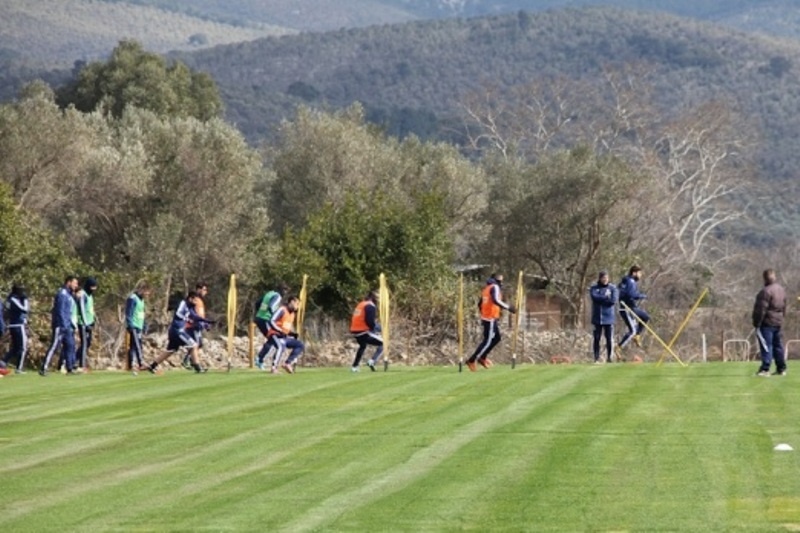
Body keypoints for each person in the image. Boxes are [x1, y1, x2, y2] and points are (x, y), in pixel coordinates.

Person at [146, 291, 211, 374]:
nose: (196, 302)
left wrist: (205, 322)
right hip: (177, 330)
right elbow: (179, 313)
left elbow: (195, 316)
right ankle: (198, 367)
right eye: (194, 300)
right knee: (194, 345)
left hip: (176, 331)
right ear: (190, 298)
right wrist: (188, 319)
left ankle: (152, 366)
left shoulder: (190, 307)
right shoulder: (183, 303)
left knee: (170, 351)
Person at [466, 273, 516, 372]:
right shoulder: (495, 287)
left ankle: (482, 357)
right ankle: (472, 360)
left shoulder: (487, 288)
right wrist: (509, 307)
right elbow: (496, 300)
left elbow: (480, 304)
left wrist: (483, 313)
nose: (501, 281)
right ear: (495, 279)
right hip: (490, 318)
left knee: (497, 338)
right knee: (488, 341)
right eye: (500, 279)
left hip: (488, 317)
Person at [40, 275, 80, 376]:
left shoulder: (69, 294)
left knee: (70, 345)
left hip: (67, 325)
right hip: (60, 325)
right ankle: (44, 367)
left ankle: (70, 368)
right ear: (68, 282)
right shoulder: (62, 294)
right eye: (74, 283)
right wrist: (62, 324)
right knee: (54, 346)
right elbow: (60, 311)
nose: (76, 285)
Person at [753, 268, 787, 376]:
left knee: (766, 345)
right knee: (778, 345)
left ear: (765, 278)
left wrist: (757, 322)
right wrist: (782, 318)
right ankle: (781, 368)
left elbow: (761, 309)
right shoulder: (781, 290)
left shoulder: (765, 292)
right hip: (778, 321)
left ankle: (765, 368)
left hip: (767, 322)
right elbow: (784, 306)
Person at [259, 295, 304, 374]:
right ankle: (274, 368)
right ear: (292, 302)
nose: (297, 306)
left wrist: (292, 334)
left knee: (300, 345)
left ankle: (287, 363)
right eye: (297, 304)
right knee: (281, 346)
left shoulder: (292, 314)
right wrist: (279, 330)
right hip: (275, 334)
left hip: (284, 336)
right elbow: (271, 321)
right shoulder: (282, 310)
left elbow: (285, 327)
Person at [253, 282, 289, 368]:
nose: (285, 293)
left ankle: (260, 359)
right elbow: (271, 306)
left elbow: (257, 303)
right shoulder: (277, 296)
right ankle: (259, 359)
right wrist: (275, 316)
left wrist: (259, 313)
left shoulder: (269, 294)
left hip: (259, 318)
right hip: (266, 319)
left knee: (272, 339)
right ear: (281, 290)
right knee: (273, 338)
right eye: (285, 290)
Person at [350, 291, 383, 372]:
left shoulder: (361, 304)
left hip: (355, 330)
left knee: (362, 346)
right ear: (373, 298)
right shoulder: (370, 306)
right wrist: (376, 329)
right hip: (363, 331)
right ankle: (372, 361)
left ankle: (355, 366)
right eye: (377, 298)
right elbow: (369, 321)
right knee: (384, 343)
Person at [590, 270, 618, 363]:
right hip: (597, 318)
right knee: (597, 338)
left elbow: (613, 301)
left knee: (609, 338)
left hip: (609, 318)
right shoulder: (594, 288)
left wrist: (601, 299)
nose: (605, 279)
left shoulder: (613, 288)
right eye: (603, 278)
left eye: (606, 278)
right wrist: (605, 297)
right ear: (600, 278)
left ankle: (609, 358)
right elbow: (594, 297)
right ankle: (596, 358)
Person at [618, 265, 649, 350]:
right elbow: (631, 295)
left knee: (645, 317)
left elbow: (620, 289)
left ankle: (637, 335)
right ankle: (618, 347)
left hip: (631, 307)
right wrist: (641, 296)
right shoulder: (630, 281)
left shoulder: (626, 280)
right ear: (634, 273)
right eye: (639, 273)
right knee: (632, 330)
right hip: (627, 308)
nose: (640, 275)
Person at [2, 284, 30, 373]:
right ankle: (19, 368)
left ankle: (3, 361)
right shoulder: (13, 299)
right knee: (23, 347)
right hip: (18, 325)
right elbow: (24, 309)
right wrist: (25, 300)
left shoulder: (12, 299)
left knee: (16, 347)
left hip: (15, 325)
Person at [125, 282, 151, 374]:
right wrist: (130, 324)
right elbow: (129, 312)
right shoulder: (133, 298)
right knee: (137, 344)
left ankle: (132, 364)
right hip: (134, 325)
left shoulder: (142, 300)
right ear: (142, 290)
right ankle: (141, 363)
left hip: (139, 325)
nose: (147, 294)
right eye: (146, 292)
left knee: (133, 345)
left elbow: (141, 313)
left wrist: (144, 324)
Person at [182, 281, 209, 369]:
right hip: (193, 326)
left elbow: (200, 313)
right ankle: (189, 361)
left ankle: (191, 361)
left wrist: (205, 323)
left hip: (198, 325)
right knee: (197, 344)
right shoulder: (194, 299)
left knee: (198, 344)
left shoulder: (200, 301)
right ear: (199, 289)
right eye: (204, 289)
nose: (205, 292)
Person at [75, 277, 98, 371]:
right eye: (92, 288)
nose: (93, 290)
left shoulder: (90, 295)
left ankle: (74, 359)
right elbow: (82, 309)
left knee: (88, 343)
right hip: (83, 323)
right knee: (84, 343)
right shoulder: (83, 294)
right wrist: (85, 323)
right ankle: (82, 365)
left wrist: (93, 320)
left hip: (90, 322)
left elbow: (90, 309)